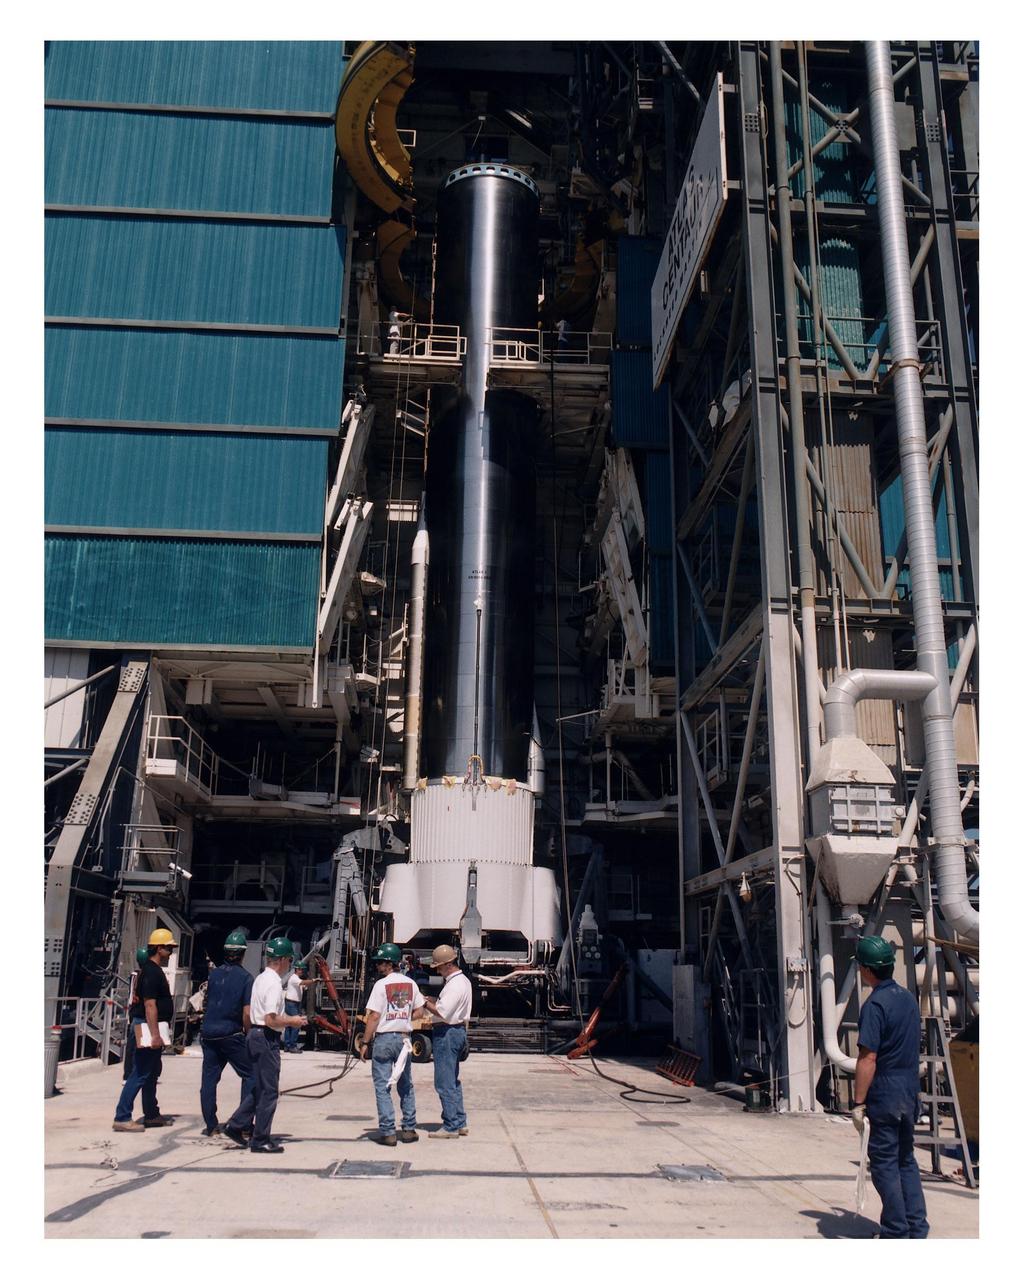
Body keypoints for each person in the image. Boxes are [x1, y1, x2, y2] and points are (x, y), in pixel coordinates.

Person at [851, 934, 929, 1239]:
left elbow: (868, 1057)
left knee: (883, 1164)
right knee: (905, 1160)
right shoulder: (907, 998)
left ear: (867, 969)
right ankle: (916, 1226)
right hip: (909, 1089)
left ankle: (896, 1231)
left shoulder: (875, 1005)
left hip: (886, 1090)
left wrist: (858, 1102)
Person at [222, 937, 306, 1154]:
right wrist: (293, 1021)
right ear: (283, 960)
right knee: (269, 1091)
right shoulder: (275, 984)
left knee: (260, 1086)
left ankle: (236, 1124)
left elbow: (254, 1014)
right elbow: (271, 1019)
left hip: (255, 1034)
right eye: (289, 960)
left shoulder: (260, 978)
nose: (290, 964)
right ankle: (260, 1139)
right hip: (266, 1036)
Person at [360, 942, 425, 1147]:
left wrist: (365, 1042)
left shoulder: (381, 985)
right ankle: (408, 1129)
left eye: (380, 962)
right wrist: (402, 1017)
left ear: (389, 963)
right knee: (406, 1085)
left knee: (383, 1086)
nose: (378, 966)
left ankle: (388, 1132)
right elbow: (420, 1012)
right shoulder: (411, 984)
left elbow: (374, 1016)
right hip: (404, 1039)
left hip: (384, 1039)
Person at [113, 928, 178, 1132]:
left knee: (150, 1073)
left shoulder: (150, 971)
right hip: (149, 1027)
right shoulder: (151, 972)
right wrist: (155, 1035)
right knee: (140, 1072)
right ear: (159, 948)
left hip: (151, 1025)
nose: (171, 952)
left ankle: (151, 1114)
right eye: (169, 948)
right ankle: (122, 1117)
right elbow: (150, 1005)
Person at [198, 929, 255, 1137]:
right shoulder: (246, 978)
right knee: (251, 1075)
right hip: (231, 1034)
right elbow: (247, 1013)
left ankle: (211, 1125)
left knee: (209, 1080)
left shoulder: (214, 975)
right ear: (243, 953)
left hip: (208, 1033)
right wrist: (249, 1036)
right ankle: (244, 1124)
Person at [421, 944, 473, 1139]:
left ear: (447, 964)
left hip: (447, 1033)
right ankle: (460, 1122)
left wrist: (423, 1001)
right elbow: (447, 1004)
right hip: (457, 1030)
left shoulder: (454, 985)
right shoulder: (462, 982)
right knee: (452, 1081)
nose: (437, 970)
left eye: (439, 967)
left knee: (443, 1082)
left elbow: (442, 1012)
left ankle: (450, 1126)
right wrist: (433, 998)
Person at [121, 946, 150, 1083]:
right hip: (142, 1015)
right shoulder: (148, 975)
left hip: (134, 1013)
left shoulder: (134, 976)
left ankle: (127, 1074)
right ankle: (136, 1073)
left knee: (132, 1046)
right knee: (141, 1047)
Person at [282, 960, 315, 1054]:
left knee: (289, 1025)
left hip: (291, 1003)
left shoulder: (295, 978)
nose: (302, 971)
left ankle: (287, 1045)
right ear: (296, 969)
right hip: (292, 1004)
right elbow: (302, 982)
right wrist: (313, 980)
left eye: (302, 969)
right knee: (296, 1024)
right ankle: (293, 1046)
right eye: (300, 969)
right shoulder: (294, 978)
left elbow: (301, 986)